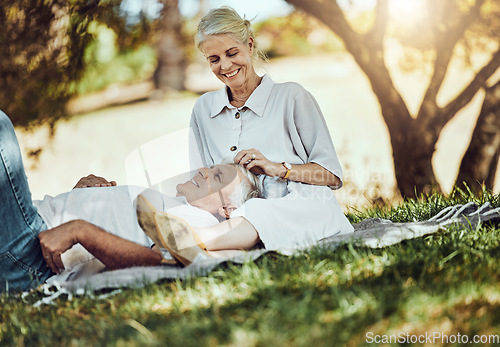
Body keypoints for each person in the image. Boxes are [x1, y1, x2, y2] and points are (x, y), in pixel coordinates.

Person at [0, 110, 260, 292]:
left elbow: (156, 264)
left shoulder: (197, 222)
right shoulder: (171, 204)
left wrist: (80, 229)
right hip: (31, 227)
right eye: (210, 167)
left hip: (30, 256)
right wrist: (83, 195)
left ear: (227, 210)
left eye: (217, 176)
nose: (203, 171)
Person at [168, 6, 354, 257]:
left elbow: (331, 176)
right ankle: (186, 238)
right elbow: (200, 181)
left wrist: (280, 168)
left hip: (294, 209)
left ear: (251, 46)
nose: (225, 65)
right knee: (173, 211)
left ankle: (195, 239)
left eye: (232, 53)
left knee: (312, 204)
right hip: (228, 219)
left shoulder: (292, 97)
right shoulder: (203, 109)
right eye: (214, 59)